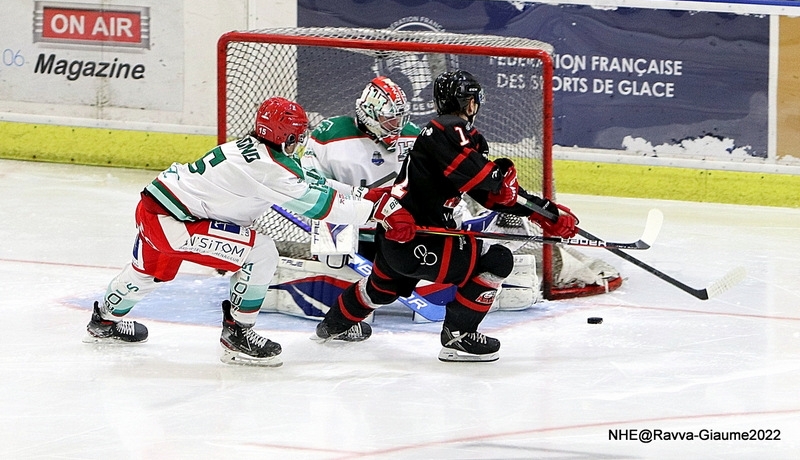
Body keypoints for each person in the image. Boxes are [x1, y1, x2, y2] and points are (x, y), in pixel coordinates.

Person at [84, 97, 391, 367]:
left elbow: (313, 181)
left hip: (155, 209)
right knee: (261, 252)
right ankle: (237, 334)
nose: (299, 142)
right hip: (174, 225)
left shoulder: (251, 150)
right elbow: (323, 207)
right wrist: (377, 212)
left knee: (147, 273)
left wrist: (363, 196)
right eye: (297, 137)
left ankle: (103, 322)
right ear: (285, 137)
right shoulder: (269, 169)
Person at [314, 70, 580, 362]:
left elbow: (490, 195)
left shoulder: (445, 134)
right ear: (469, 102)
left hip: (397, 237)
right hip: (422, 237)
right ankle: (459, 337)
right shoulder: (448, 130)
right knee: (497, 260)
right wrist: (522, 195)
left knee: (381, 289)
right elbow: (488, 180)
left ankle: (332, 326)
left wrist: (544, 213)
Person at [301, 75, 418, 260]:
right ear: (369, 114)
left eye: (399, 118)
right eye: (389, 118)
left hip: (397, 231)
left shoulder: (413, 137)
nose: (396, 125)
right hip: (344, 229)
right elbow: (311, 187)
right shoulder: (329, 135)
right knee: (332, 264)